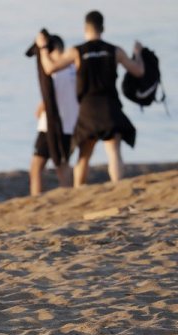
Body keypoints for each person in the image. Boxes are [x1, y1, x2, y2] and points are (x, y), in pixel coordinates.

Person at [36, 10, 144, 186]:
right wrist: (138, 53)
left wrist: (42, 48)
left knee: (84, 156)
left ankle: (79, 191)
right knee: (114, 151)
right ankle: (118, 188)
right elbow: (138, 71)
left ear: (86, 28)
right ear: (103, 28)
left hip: (87, 109)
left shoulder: (77, 51)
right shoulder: (114, 50)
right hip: (109, 106)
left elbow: (50, 68)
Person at [30, 35, 78, 196]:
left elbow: (49, 96)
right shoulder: (73, 68)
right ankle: (68, 195)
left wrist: (39, 109)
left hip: (50, 124)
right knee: (62, 164)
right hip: (70, 124)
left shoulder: (56, 69)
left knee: (36, 167)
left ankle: (36, 199)